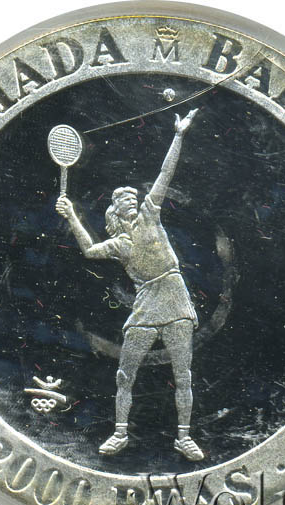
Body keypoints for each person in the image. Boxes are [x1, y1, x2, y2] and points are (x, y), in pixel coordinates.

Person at [56, 109, 203, 461]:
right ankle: (120, 433)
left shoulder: (151, 215)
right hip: (146, 301)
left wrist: (178, 135)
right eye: (126, 202)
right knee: (125, 373)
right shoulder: (119, 244)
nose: (134, 203)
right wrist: (72, 215)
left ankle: (184, 437)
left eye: (134, 200)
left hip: (175, 296)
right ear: (116, 211)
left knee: (182, 374)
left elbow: (165, 174)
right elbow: (89, 250)